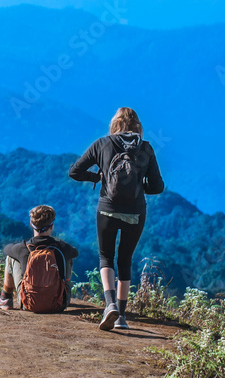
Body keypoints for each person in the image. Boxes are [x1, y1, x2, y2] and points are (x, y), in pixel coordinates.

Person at [69, 107, 164, 331]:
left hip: (107, 209)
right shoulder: (146, 148)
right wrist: (139, 188)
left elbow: (74, 171)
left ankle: (109, 304)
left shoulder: (102, 144)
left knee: (106, 257)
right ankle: (121, 317)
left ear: (114, 124)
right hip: (136, 212)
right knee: (125, 260)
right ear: (137, 126)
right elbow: (158, 186)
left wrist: (98, 177)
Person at [0, 205, 79, 312]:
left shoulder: (24, 248)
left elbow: (6, 249)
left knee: (11, 258)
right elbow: (75, 252)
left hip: (28, 304)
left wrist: (16, 248)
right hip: (59, 304)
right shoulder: (61, 247)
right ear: (52, 226)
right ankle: (60, 294)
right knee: (68, 257)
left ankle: (6, 298)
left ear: (31, 225)